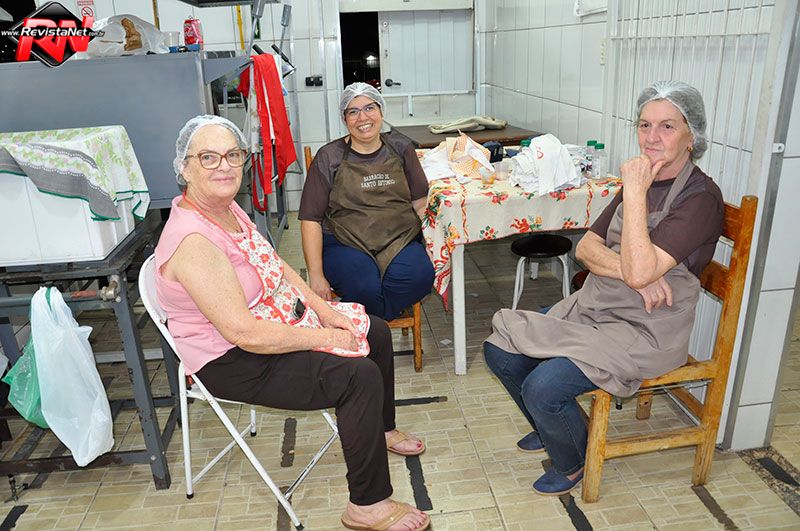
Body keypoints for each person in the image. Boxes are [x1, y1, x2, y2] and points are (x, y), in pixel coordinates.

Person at [154, 115, 429, 531]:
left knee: (373, 330)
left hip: (268, 319)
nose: (224, 166)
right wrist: (323, 334)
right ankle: (367, 505)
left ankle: (382, 428)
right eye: (208, 157)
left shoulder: (225, 210)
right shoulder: (194, 241)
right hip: (232, 358)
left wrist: (326, 309)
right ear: (184, 168)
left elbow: (277, 267)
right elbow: (243, 333)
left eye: (232, 155)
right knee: (357, 377)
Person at [483, 81, 725, 496]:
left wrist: (636, 196)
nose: (652, 137)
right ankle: (554, 426)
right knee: (500, 349)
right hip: (595, 307)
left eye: (667, 126)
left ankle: (573, 459)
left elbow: (641, 269)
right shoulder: (638, 181)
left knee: (544, 386)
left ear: (692, 137)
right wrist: (631, 274)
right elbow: (586, 250)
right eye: (644, 125)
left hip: (647, 330)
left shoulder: (700, 198)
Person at [298, 82, 434, 321]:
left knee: (421, 276)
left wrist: (433, 246)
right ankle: (376, 323)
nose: (363, 117)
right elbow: (311, 219)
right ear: (344, 119)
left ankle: (365, 323)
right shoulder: (329, 157)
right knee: (364, 287)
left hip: (399, 240)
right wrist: (316, 275)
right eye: (353, 111)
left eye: (369, 108)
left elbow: (420, 202)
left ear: (381, 110)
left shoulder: (401, 148)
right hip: (345, 243)